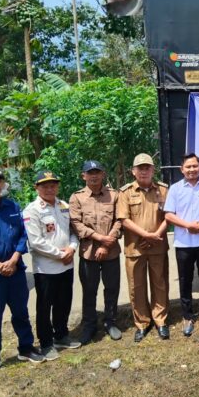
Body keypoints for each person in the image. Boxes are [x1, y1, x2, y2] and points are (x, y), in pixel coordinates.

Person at [0, 167, 44, 378]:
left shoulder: (13, 206)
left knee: (21, 313)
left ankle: (26, 348)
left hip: (16, 272)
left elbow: (22, 235)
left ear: (2, 184)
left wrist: (14, 259)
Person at [24, 171, 81, 361]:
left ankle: (61, 335)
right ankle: (46, 343)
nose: (50, 189)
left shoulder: (63, 205)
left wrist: (72, 248)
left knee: (63, 302)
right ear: (37, 188)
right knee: (44, 307)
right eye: (45, 186)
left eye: (53, 185)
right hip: (46, 268)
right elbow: (36, 242)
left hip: (66, 265)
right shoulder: (31, 210)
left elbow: (72, 232)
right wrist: (61, 254)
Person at [164, 153, 199, 335]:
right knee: (185, 280)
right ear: (182, 169)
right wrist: (188, 225)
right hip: (184, 242)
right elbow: (168, 214)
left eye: (195, 166)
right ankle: (187, 316)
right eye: (188, 166)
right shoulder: (175, 189)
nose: (192, 169)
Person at [117, 153, 170, 342]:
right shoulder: (125, 192)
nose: (144, 171)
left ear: (153, 170)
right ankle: (142, 323)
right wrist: (146, 235)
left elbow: (169, 216)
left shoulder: (163, 190)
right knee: (136, 287)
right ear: (133, 171)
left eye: (147, 167)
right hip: (135, 248)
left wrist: (155, 236)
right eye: (140, 168)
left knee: (160, 284)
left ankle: (161, 321)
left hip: (158, 246)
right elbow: (124, 219)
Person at [69, 160, 122, 345]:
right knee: (89, 291)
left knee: (112, 288)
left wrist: (106, 245)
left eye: (97, 172)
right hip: (88, 253)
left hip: (111, 252)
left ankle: (110, 322)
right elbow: (76, 224)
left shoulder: (114, 195)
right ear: (83, 176)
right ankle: (89, 325)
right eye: (90, 173)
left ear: (103, 174)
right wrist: (100, 238)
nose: (94, 176)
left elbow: (119, 221)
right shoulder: (77, 198)